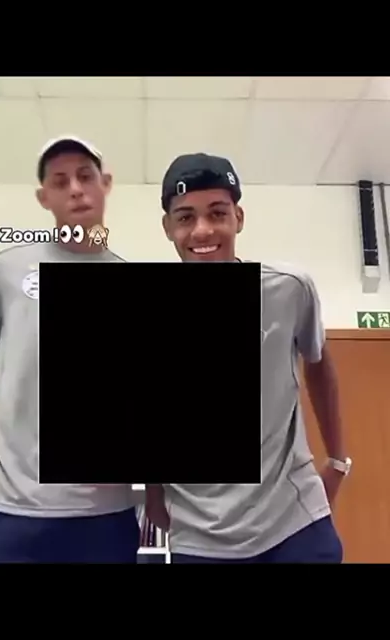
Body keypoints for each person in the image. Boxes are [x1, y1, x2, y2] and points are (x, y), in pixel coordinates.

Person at [0, 135, 140, 563]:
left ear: (105, 184)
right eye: (60, 181)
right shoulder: (7, 271)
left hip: (102, 517)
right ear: (43, 197)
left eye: (85, 177)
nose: (76, 189)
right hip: (6, 510)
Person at [145, 152, 351, 563]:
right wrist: (153, 495)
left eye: (217, 213)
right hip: (200, 534)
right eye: (185, 217)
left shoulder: (288, 289)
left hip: (293, 524)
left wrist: (337, 459)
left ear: (238, 218)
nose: (203, 230)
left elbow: (318, 364)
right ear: (167, 227)